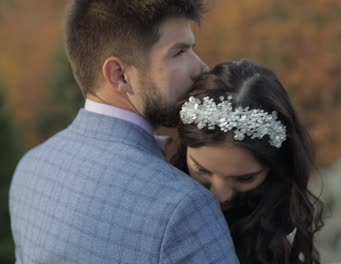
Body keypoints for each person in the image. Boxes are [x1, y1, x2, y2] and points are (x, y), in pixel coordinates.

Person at [9, 1, 239, 263]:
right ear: (119, 75)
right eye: (179, 52)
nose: (202, 68)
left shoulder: (30, 168)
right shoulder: (184, 206)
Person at [171, 60, 324, 264]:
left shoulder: (274, 247)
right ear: (184, 146)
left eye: (245, 178)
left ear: (276, 168)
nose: (219, 195)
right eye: (201, 170)